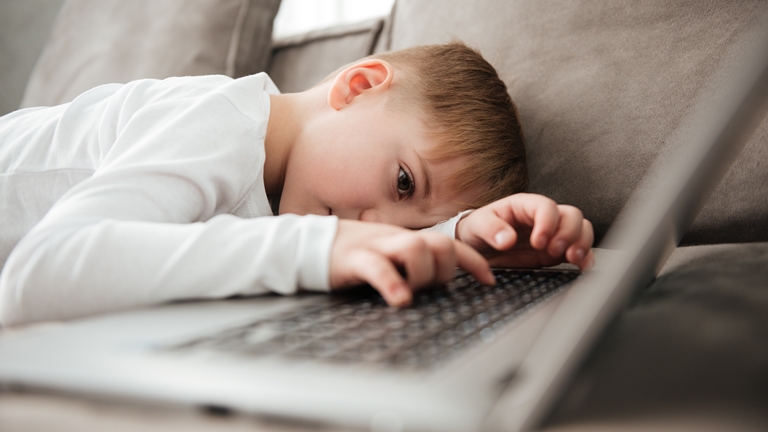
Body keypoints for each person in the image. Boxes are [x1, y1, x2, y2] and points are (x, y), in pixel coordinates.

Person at [0, 42, 594, 326]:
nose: (375, 230)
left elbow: (375, 230)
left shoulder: (291, 191)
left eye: (413, 223)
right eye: (405, 182)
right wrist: (317, 248)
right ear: (357, 86)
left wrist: (463, 238)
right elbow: (38, 274)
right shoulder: (215, 121)